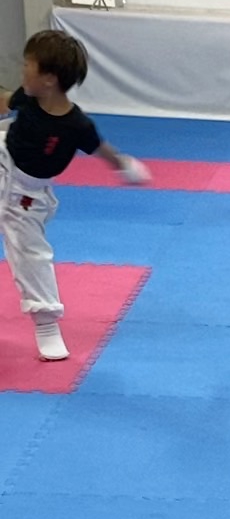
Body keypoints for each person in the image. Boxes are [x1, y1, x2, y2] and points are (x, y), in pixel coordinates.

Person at [0, 30, 150, 361]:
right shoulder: (28, 97)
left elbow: (102, 149)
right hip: (2, 160)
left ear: (49, 79)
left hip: (27, 194)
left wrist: (125, 167)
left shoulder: (76, 126)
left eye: (27, 65)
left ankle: (46, 323)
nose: (22, 70)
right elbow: (5, 102)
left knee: (31, 255)